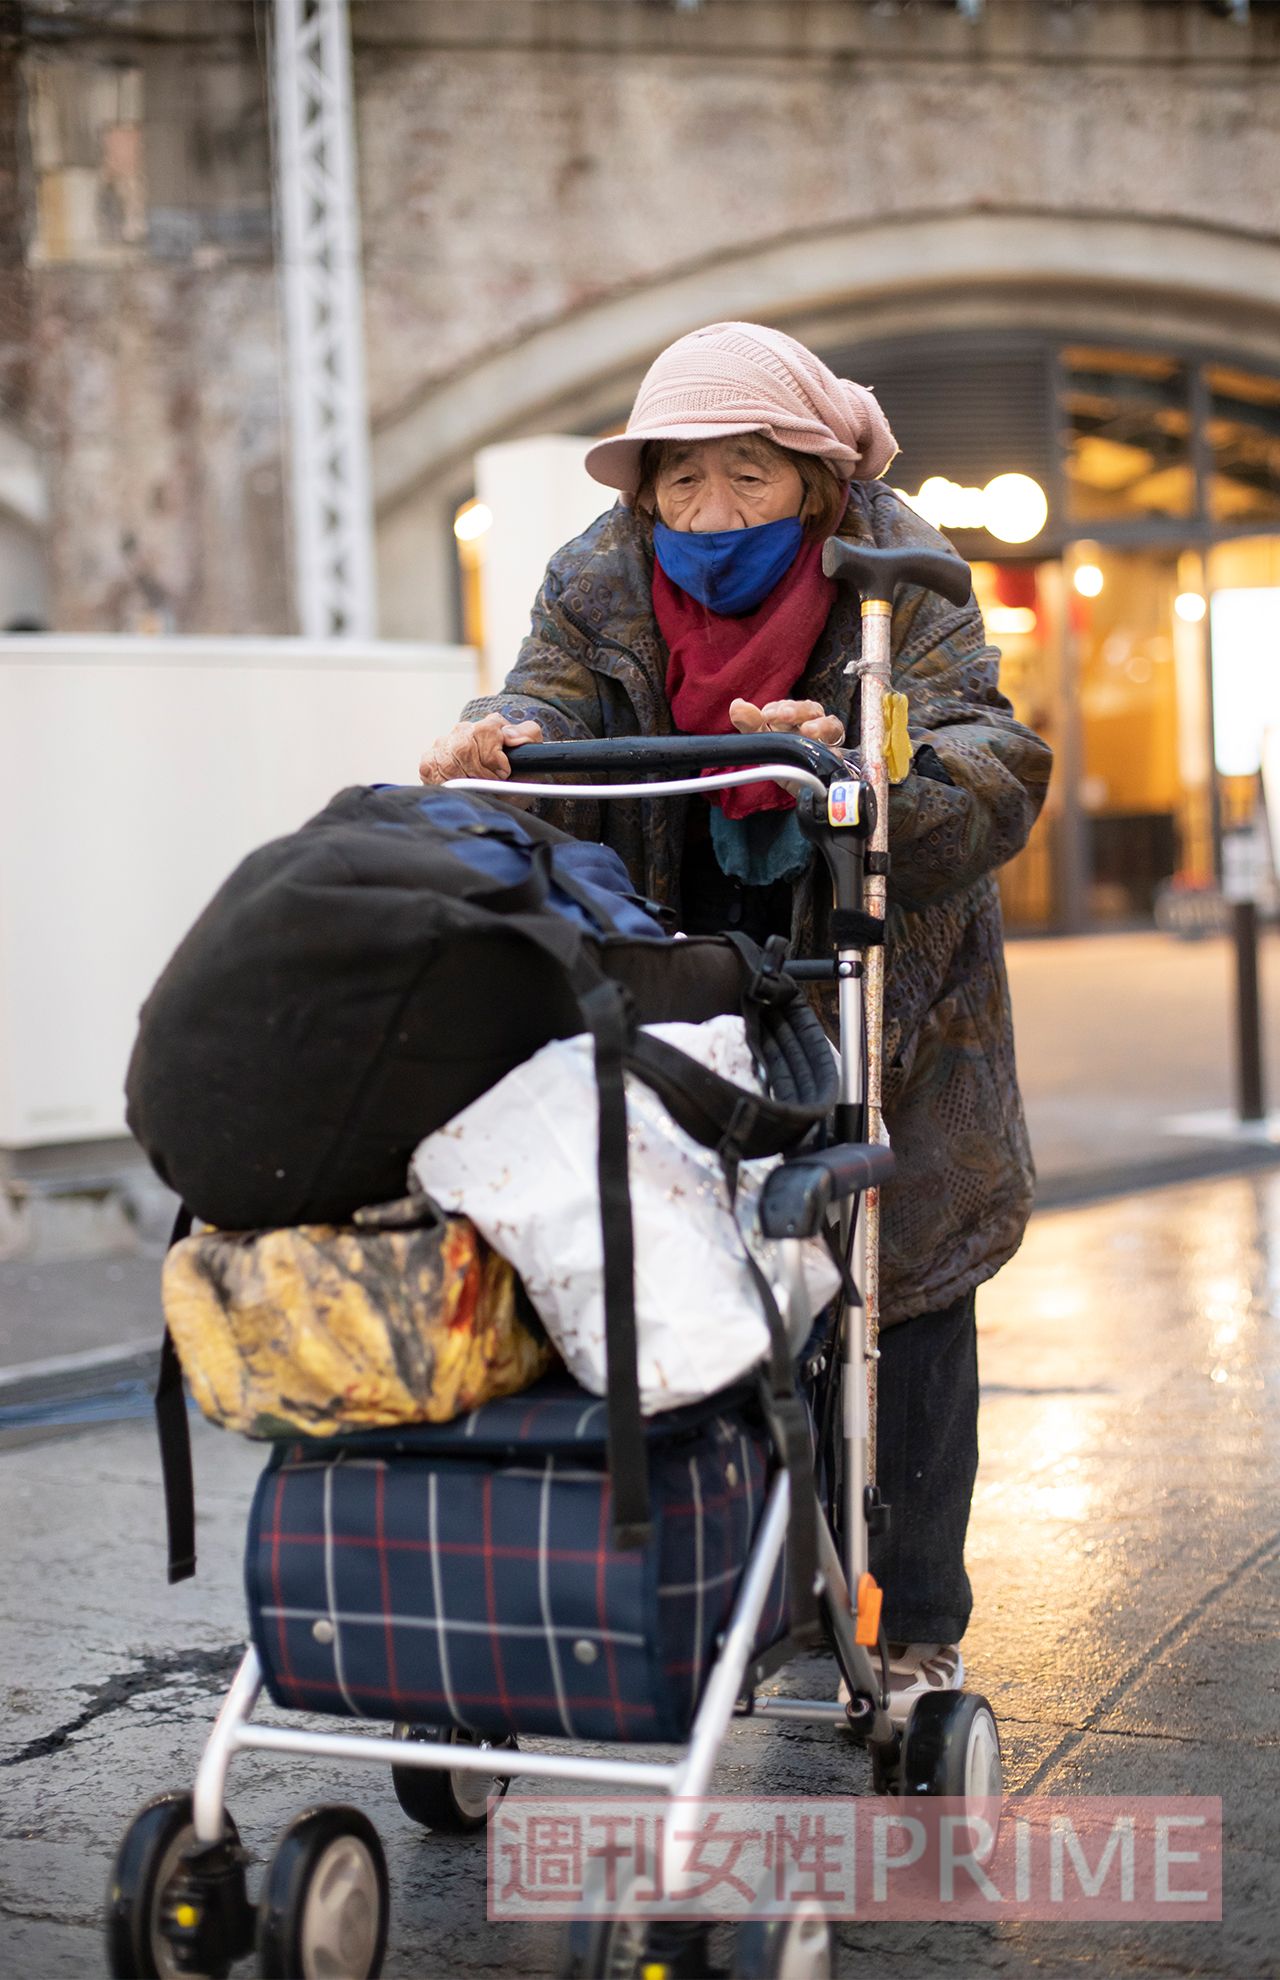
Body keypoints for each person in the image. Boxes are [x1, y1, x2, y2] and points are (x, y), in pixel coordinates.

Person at [419, 320, 1052, 1721]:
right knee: (712, 1269)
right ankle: (737, 1582)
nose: (710, 516)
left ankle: (913, 1623)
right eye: (682, 484)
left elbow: (992, 752)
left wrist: (860, 760)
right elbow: (544, 696)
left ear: (818, 479)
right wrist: (498, 736)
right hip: (691, 959)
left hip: (892, 984)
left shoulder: (900, 569)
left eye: (749, 480)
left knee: (907, 1283)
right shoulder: (598, 571)